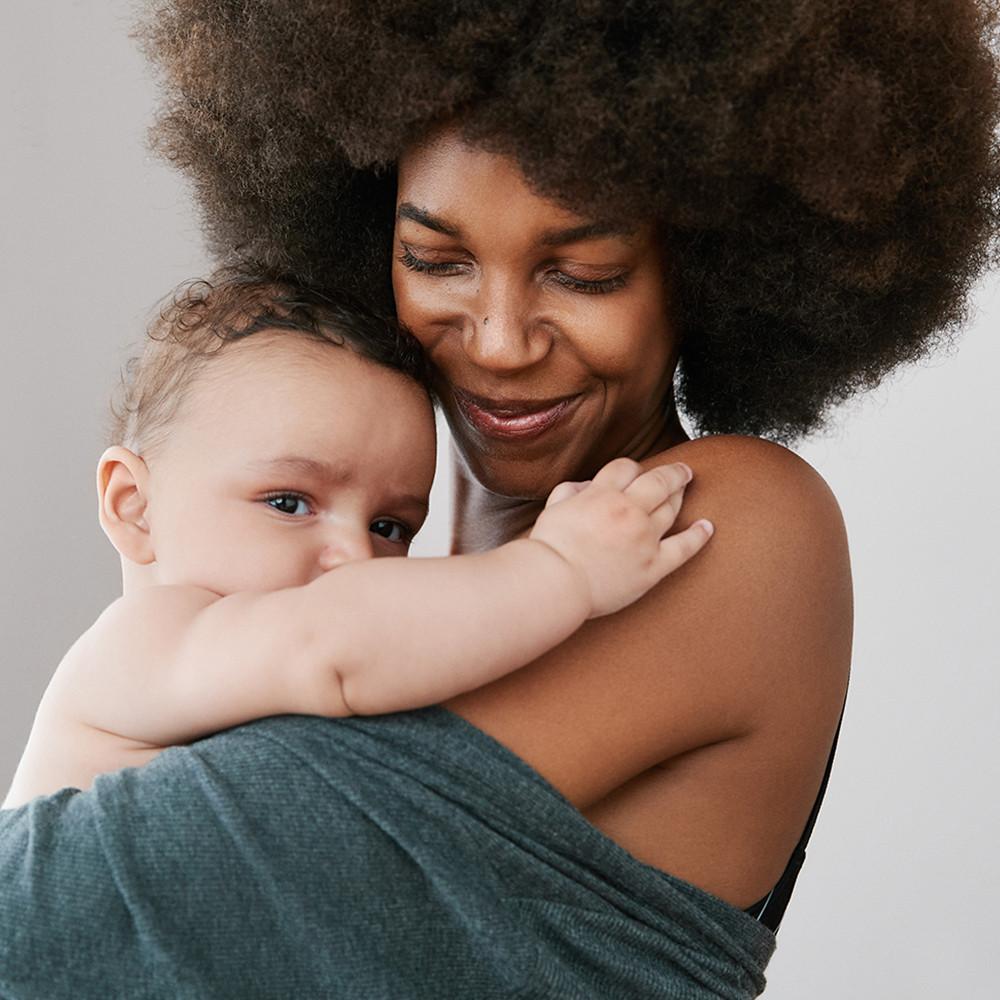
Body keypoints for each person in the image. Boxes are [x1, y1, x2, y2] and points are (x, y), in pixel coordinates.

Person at [1, 2, 996, 997]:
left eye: (584, 272)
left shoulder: (720, 525)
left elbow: (132, 894)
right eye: (437, 260)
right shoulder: (403, 588)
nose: (500, 340)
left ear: (701, 269)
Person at [1, 271, 710, 810]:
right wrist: (563, 570)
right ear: (134, 508)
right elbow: (331, 644)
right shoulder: (139, 643)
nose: (355, 558)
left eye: (389, 526)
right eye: (288, 502)